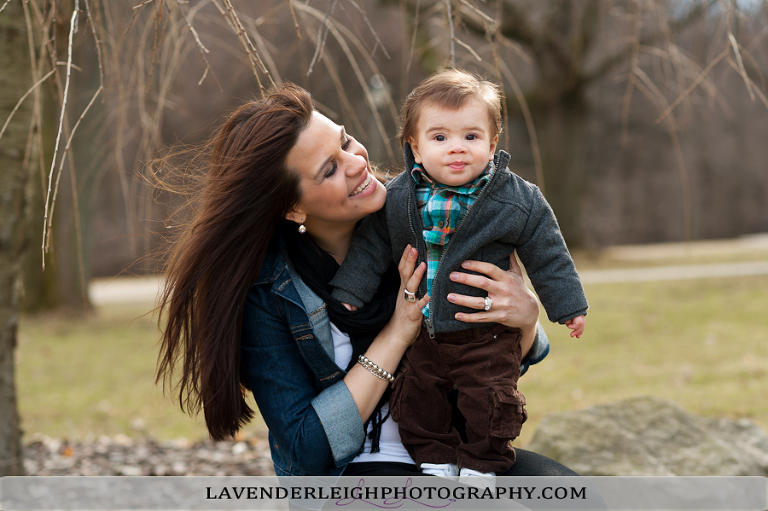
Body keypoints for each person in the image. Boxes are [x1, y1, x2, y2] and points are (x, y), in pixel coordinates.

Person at [155, 82, 576, 479]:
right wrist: (396, 334)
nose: (358, 162)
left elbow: (491, 368)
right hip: (353, 473)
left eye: (344, 140)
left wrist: (525, 319)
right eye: (329, 169)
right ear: (293, 208)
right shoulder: (268, 293)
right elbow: (306, 451)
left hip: (456, 452)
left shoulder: (420, 219)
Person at [329, 69, 588, 486]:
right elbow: (373, 246)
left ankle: (482, 462)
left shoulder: (516, 198)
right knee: (417, 398)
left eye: (471, 136)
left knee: (490, 401)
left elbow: (549, 253)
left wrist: (568, 306)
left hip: (486, 335)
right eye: (440, 138)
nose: (457, 149)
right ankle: (434, 457)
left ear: (492, 143)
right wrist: (350, 289)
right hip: (425, 334)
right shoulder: (397, 198)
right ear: (414, 144)